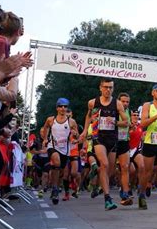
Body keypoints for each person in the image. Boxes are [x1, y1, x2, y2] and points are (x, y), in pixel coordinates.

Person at [79, 78, 129, 210]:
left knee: (110, 171)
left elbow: (126, 122)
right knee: (104, 164)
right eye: (106, 87)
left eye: (111, 87)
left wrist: (115, 123)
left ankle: (96, 184)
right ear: (100, 88)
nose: (108, 90)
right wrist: (85, 131)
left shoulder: (117, 104)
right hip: (98, 137)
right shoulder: (92, 103)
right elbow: (88, 116)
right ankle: (108, 199)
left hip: (112, 138)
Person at [41, 98, 79, 205]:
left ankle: (56, 187)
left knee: (60, 171)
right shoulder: (50, 120)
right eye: (61, 106)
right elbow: (45, 129)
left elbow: (77, 135)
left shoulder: (71, 121)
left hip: (65, 150)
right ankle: (55, 189)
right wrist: (45, 139)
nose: (63, 108)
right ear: (57, 108)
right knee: (56, 162)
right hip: (52, 146)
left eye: (65, 106)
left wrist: (75, 135)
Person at [116, 92, 133, 205]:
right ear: (118, 102)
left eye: (127, 102)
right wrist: (122, 123)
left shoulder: (128, 112)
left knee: (125, 167)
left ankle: (125, 193)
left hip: (124, 141)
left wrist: (130, 126)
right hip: (112, 141)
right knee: (109, 170)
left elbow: (128, 124)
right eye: (123, 101)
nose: (125, 104)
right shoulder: (113, 110)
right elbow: (112, 123)